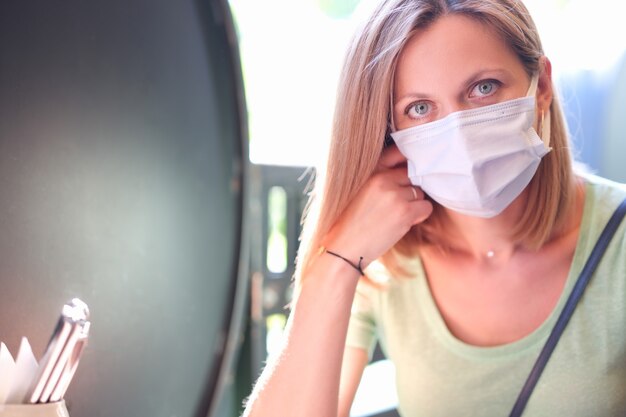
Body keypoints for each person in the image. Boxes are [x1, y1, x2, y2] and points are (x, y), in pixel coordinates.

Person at [241, 1, 626, 416]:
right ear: (390, 134)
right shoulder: (381, 264)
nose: (459, 134)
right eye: (419, 109)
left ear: (543, 87)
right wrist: (334, 265)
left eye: (483, 88)